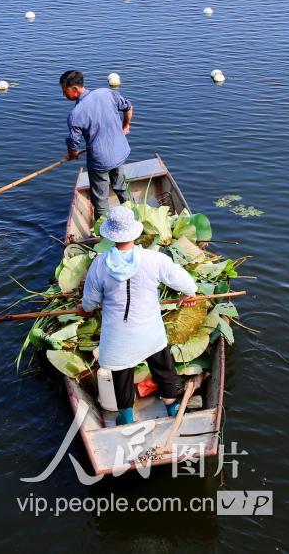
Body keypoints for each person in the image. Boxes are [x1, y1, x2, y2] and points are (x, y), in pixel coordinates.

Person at [79, 205, 198, 425]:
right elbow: (186, 283)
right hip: (150, 332)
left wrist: (83, 309)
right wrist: (188, 294)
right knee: (163, 368)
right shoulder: (154, 259)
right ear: (135, 232)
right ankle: (172, 408)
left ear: (110, 235)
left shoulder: (99, 265)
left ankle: (126, 418)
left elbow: (89, 303)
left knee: (121, 375)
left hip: (118, 337)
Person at [60, 70, 133, 220]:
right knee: (122, 188)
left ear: (74, 89)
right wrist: (125, 126)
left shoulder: (75, 114)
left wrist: (72, 155)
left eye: (64, 90)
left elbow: (74, 144)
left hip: (100, 161)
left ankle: (103, 235)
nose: (63, 94)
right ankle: (135, 218)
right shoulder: (106, 93)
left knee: (100, 200)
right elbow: (129, 107)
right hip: (120, 152)